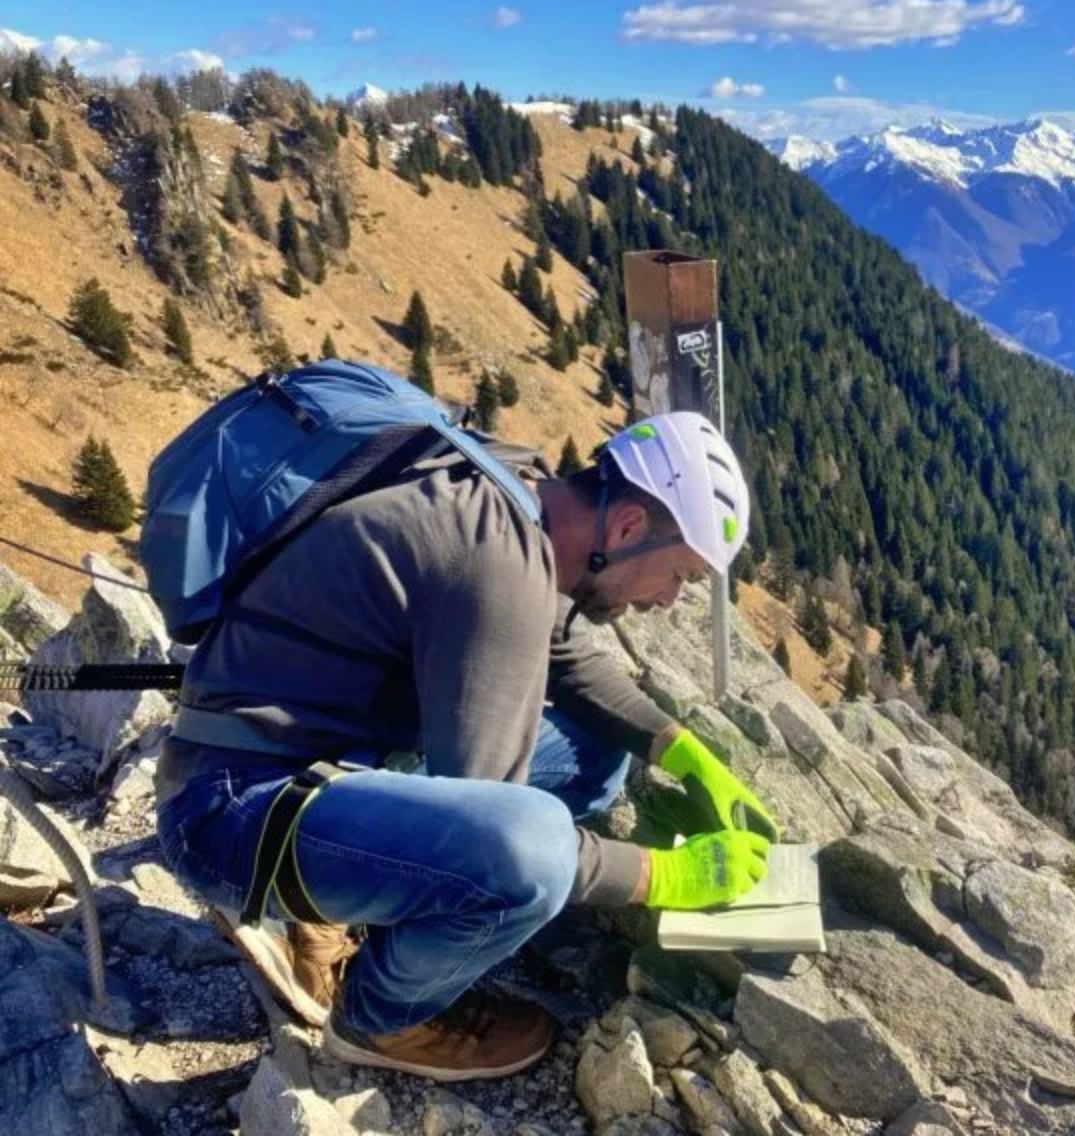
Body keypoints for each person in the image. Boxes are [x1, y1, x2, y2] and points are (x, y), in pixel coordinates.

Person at [154, 413, 779, 1082]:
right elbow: (501, 834)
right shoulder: (499, 566)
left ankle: (329, 906)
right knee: (529, 856)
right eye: (678, 574)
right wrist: (666, 877)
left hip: (298, 760)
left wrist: (680, 749)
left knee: (598, 751)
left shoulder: (519, 486)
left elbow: (559, 652)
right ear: (627, 528)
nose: (669, 600)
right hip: (230, 814)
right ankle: (380, 1019)